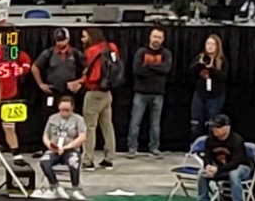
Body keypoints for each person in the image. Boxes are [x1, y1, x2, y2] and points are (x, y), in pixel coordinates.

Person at [74, 27, 119, 169]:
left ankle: (88, 160)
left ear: (91, 37)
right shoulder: (111, 47)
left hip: (94, 92)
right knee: (107, 126)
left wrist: (82, 81)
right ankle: (109, 159)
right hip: (107, 93)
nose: (82, 40)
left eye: (84, 36)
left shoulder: (91, 51)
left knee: (89, 127)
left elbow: (94, 75)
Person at [190, 114, 251, 201]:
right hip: (220, 167)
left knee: (234, 174)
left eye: (218, 127)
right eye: (214, 127)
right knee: (202, 174)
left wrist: (218, 169)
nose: (215, 130)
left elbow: (237, 161)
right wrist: (208, 166)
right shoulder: (210, 139)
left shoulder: (236, 140)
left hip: (242, 168)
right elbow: (207, 156)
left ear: (227, 128)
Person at [128, 27, 171, 157]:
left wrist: (147, 66)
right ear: (150, 37)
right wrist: (156, 69)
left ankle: (154, 147)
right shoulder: (141, 52)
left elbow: (166, 69)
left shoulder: (166, 53)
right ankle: (132, 147)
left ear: (163, 39)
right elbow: (137, 70)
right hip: (141, 92)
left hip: (158, 93)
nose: (156, 40)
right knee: (135, 122)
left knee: (155, 123)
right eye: (154, 36)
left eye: (159, 37)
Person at [35, 95, 88, 200]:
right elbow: (45, 135)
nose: (64, 112)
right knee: (44, 161)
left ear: (72, 108)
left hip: (70, 149)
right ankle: (56, 186)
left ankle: (75, 189)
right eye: (62, 110)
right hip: (54, 149)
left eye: (67, 110)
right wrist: (50, 145)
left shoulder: (78, 119)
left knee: (74, 161)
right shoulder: (52, 118)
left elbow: (82, 136)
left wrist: (67, 147)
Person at [31, 27, 84, 113]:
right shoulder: (48, 52)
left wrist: (80, 82)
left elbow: (87, 69)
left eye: (62, 40)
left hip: (69, 90)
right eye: (58, 40)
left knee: (70, 113)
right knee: (49, 113)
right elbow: (34, 67)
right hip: (52, 90)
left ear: (68, 39)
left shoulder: (76, 53)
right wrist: (40, 84)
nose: (59, 43)